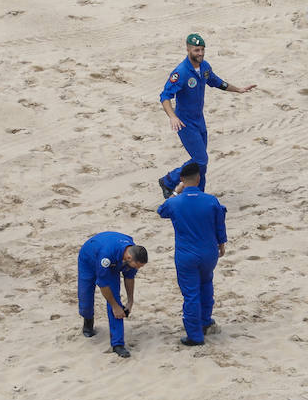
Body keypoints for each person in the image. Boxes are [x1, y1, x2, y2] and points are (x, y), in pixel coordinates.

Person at [157, 33, 255, 195]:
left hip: (199, 120)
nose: (200, 53)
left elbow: (217, 82)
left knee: (201, 163)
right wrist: (173, 116)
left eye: (202, 50)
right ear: (188, 49)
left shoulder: (204, 67)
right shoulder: (180, 73)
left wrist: (238, 89)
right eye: (196, 50)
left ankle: (198, 193)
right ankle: (169, 180)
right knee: (201, 160)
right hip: (185, 122)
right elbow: (165, 96)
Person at [157, 163, 227, 346]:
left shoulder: (174, 202)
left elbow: (161, 210)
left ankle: (195, 336)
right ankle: (205, 321)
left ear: (181, 180)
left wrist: (175, 191)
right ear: (198, 179)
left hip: (186, 255)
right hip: (209, 252)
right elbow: (220, 223)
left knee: (191, 294)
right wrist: (222, 244)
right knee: (206, 286)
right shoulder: (211, 200)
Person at [77, 232, 149, 358]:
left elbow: (129, 278)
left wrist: (130, 301)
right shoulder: (106, 257)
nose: (138, 268)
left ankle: (117, 344)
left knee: (116, 299)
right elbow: (103, 284)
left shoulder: (132, 254)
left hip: (114, 263)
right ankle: (88, 321)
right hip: (89, 258)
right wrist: (115, 306)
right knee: (86, 294)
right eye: (137, 266)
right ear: (129, 258)